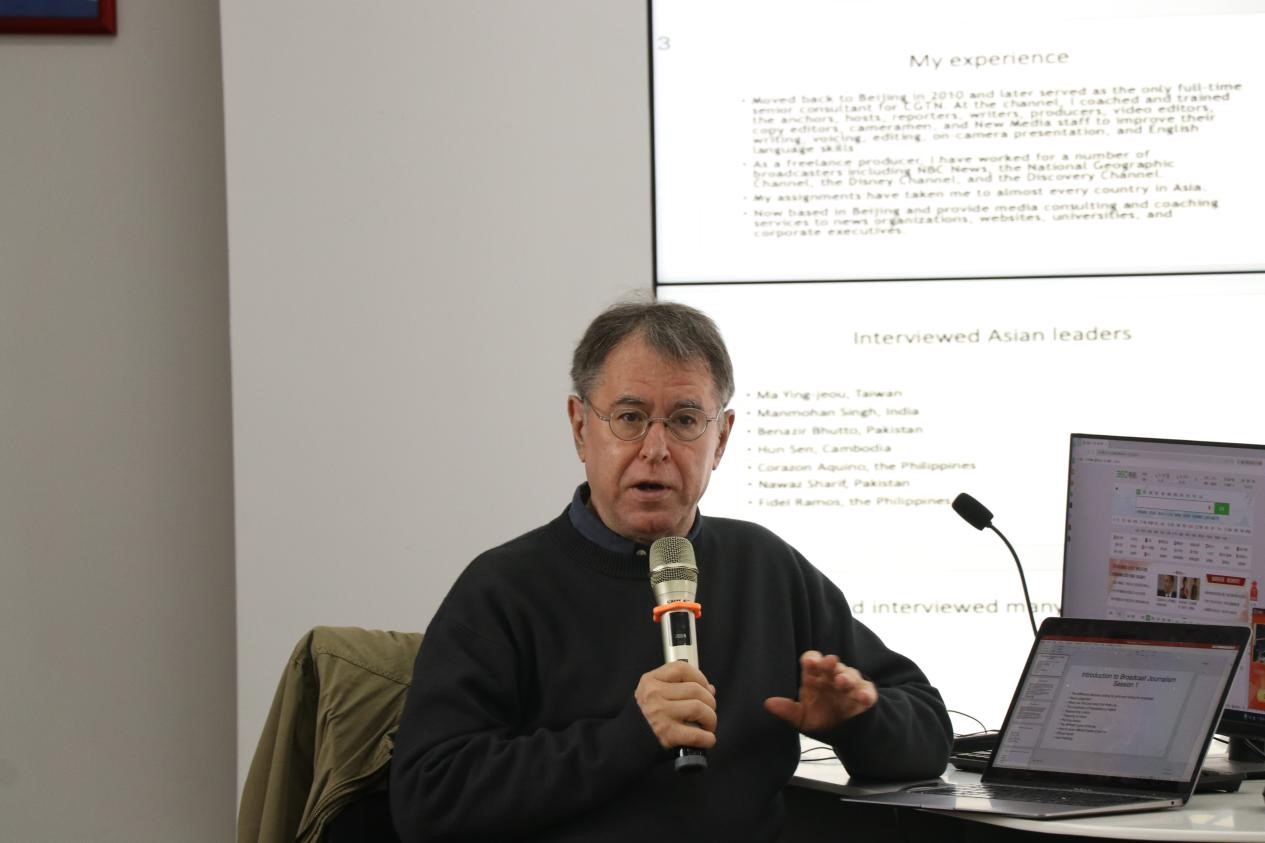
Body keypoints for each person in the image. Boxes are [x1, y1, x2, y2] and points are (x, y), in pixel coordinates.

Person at [390, 300, 952, 841]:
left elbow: (929, 733)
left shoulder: (766, 567)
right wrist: (626, 738)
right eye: (630, 418)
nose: (655, 448)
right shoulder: (503, 588)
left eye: (684, 420)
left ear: (721, 438)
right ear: (580, 427)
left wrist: (858, 721)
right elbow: (428, 798)